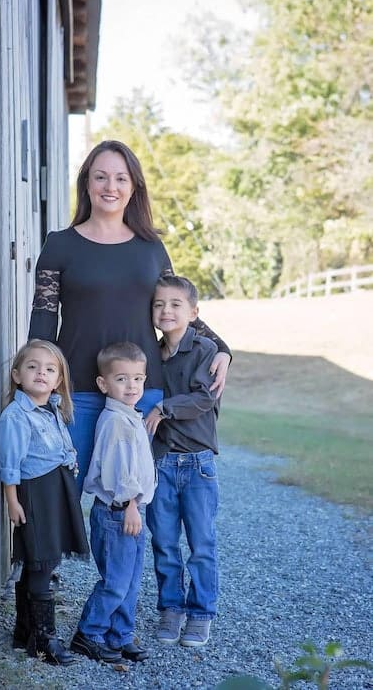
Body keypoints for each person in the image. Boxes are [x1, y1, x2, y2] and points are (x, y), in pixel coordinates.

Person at [28, 139, 231, 489]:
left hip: (140, 391)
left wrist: (222, 348)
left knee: (128, 504)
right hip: (75, 393)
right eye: (101, 177)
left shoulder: (151, 247)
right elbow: (43, 324)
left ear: (134, 186)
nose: (111, 187)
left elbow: (176, 309)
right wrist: (40, 390)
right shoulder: (59, 244)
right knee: (65, 495)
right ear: (87, 183)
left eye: (121, 178)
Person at [0, 339, 89, 665]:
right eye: (33, 366)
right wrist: (12, 499)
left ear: (58, 380)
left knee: (46, 560)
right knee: (40, 560)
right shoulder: (16, 416)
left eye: (50, 369)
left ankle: (25, 631)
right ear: (17, 374)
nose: (41, 373)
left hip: (56, 491)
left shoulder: (53, 410)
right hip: (35, 493)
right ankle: (44, 639)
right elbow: (10, 462)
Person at [145, 275, 222, 648]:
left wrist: (164, 408)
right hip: (160, 463)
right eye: (159, 304)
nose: (166, 310)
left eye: (175, 304)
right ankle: (171, 609)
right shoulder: (151, 355)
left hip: (197, 464)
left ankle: (201, 614)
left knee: (201, 543)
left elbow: (204, 397)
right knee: (163, 542)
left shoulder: (206, 350)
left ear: (193, 312)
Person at [70, 342, 155, 664]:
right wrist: (131, 504)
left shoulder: (130, 415)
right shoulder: (116, 422)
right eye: (122, 379)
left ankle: (119, 635)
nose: (131, 386)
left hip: (132, 511)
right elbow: (120, 472)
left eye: (137, 378)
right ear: (103, 384)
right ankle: (88, 634)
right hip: (118, 512)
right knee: (117, 581)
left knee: (131, 581)